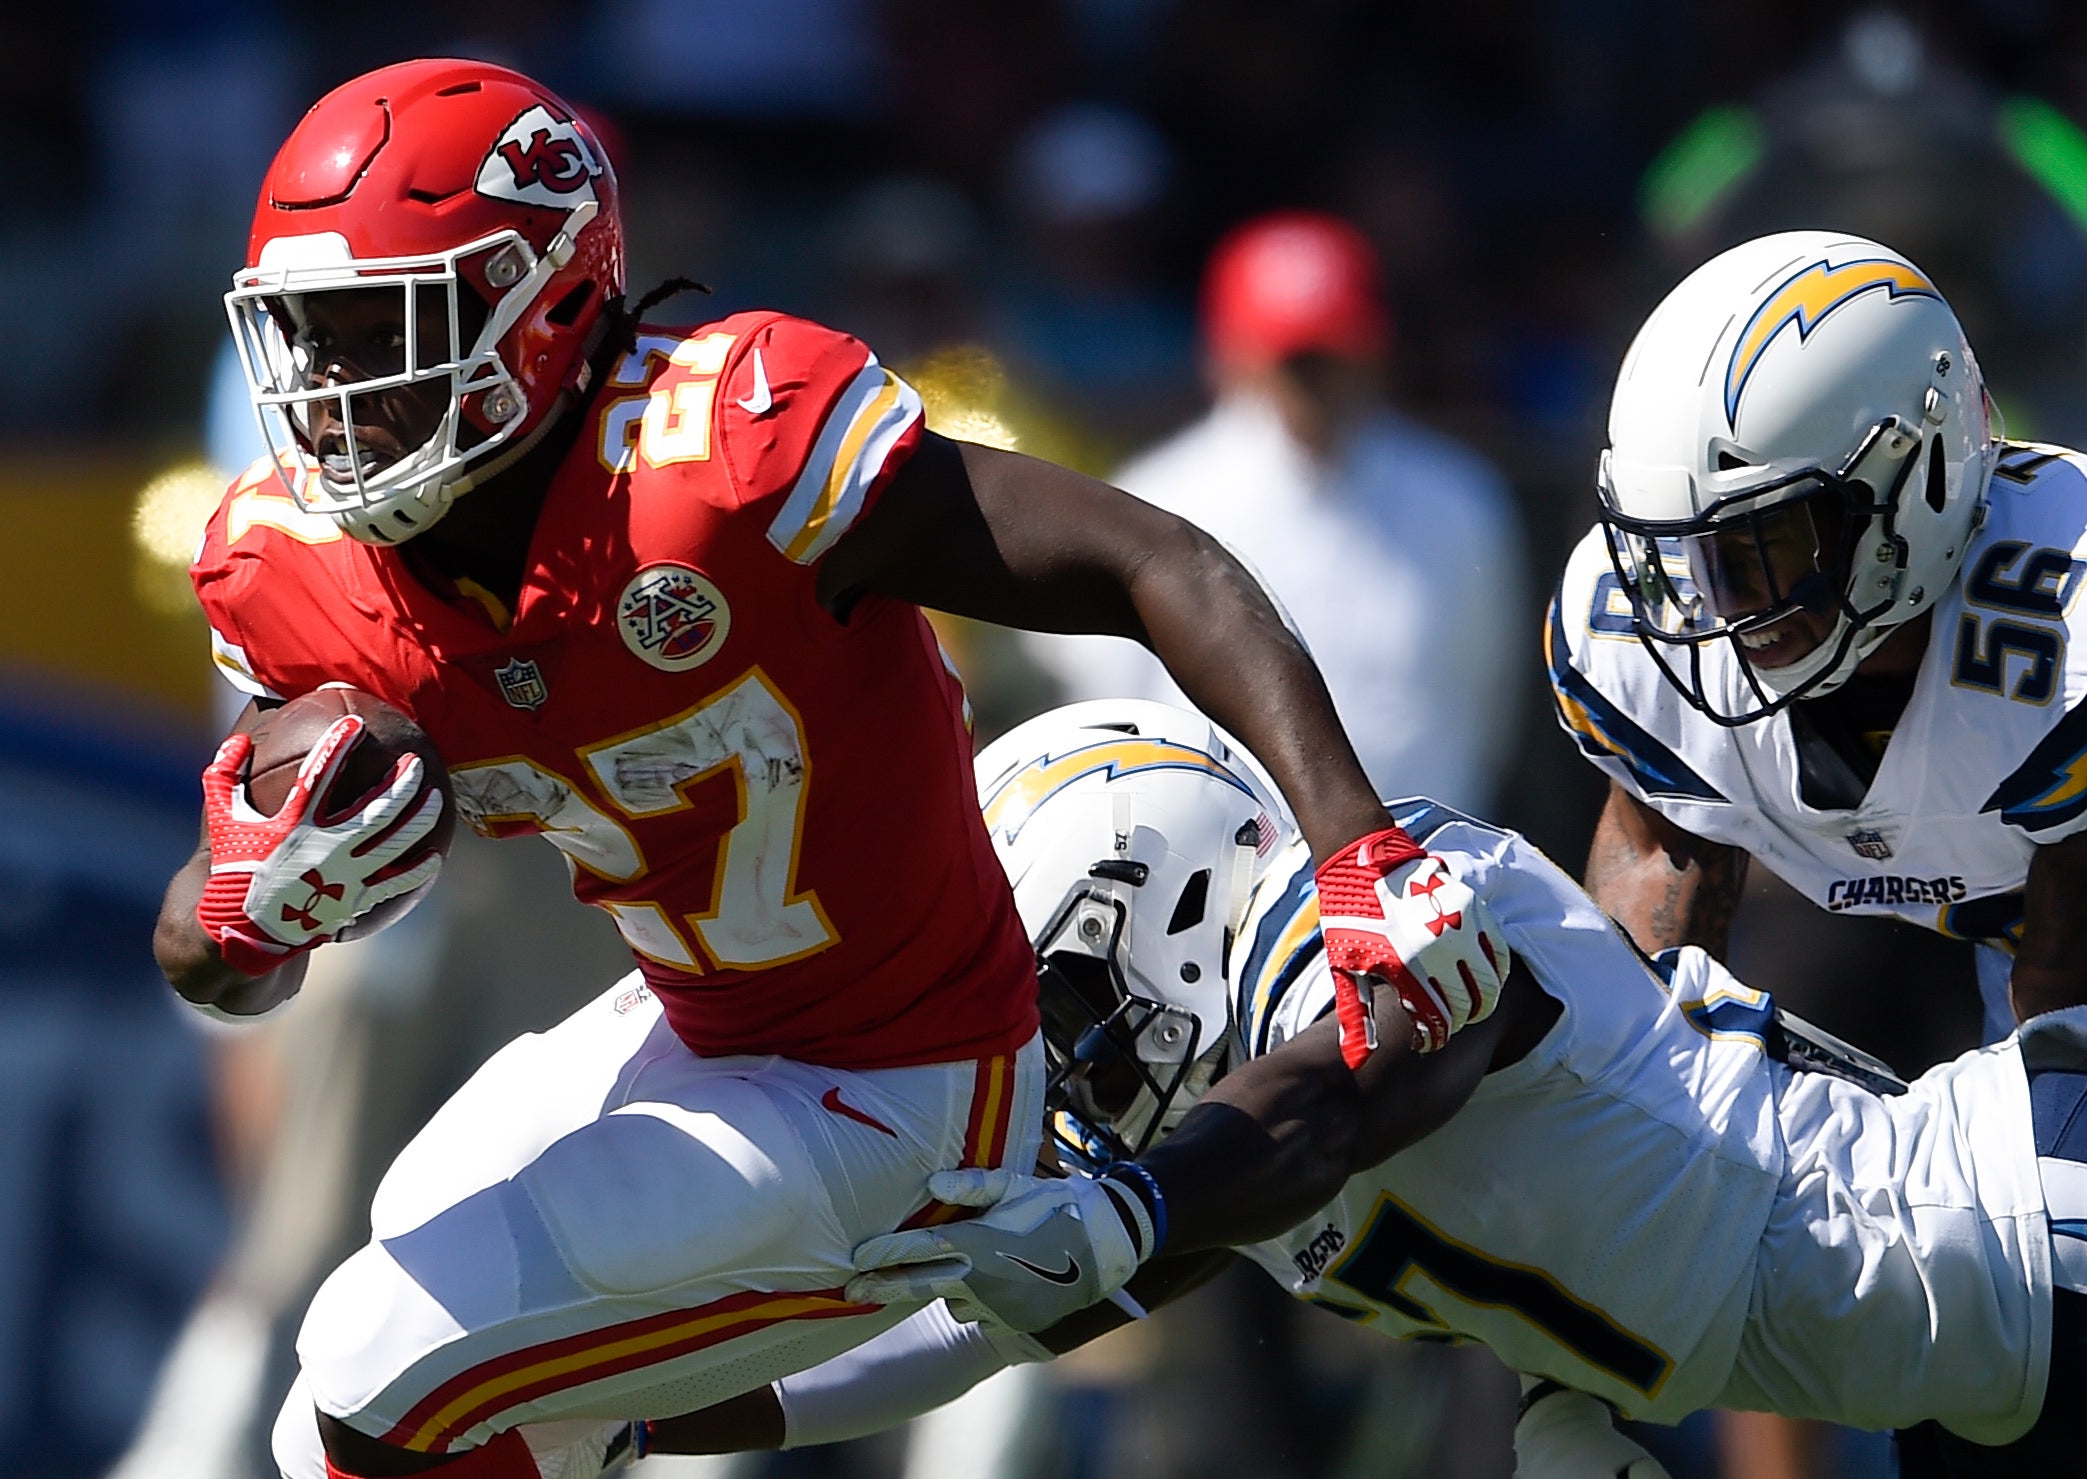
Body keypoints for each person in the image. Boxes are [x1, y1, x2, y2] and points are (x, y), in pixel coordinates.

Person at [150, 60, 1507, 1479]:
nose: (336, 393)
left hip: (906, 1084)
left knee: (378, 1355)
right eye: (308, 339)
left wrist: (1354, 842)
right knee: (338, 1400)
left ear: (535, 302)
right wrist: (251, 906)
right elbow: (209, 957)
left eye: (381, 331)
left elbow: (1150, 559)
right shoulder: (299, 569)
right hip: (691, 1026)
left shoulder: (726, 451)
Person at [631, 701, 2085, 1478]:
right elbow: (960, 1335)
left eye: (1057, 1003)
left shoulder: (1389, 925)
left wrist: (1130, 1208)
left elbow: (1347, 1094)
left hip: (2018, 1233)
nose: (1053, 1060)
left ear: (1167, 897)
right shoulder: (1221, 1142)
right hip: (1953, 1348)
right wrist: (610, 1417)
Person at [1546, 229, 2087, 1051]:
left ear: (1923, 477)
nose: (1719, 602)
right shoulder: (1637, 631)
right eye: (1691, 551)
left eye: (1762, 542)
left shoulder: (2064, 627)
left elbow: (2060, 1023)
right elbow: (1636, 1032)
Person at [1024, 210, 1528, 813]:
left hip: (1424, 851)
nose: (1313, 380)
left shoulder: (1458, 498)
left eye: (1329, 354)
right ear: (1230, 355)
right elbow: (1108, 704)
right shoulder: (1159, 498)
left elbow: (1484, 698)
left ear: (1374, 349)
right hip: (1221, 857)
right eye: (1291, 359)